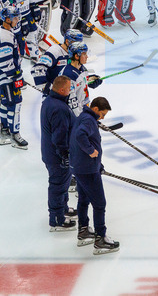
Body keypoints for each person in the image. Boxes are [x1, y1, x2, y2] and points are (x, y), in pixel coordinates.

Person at [69, 92, 119, 254]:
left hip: (81, 167)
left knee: (83, 200)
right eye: (102, 114)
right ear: (96, 109)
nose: (102, 118)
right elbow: (80, 136)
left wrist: (98, 164)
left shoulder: (84, 116)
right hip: (87, 170)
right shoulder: (89, 120)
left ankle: (83, 231)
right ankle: (100, 239)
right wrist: (91, 152)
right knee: (99, 204)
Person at [41, 75, 76, 232]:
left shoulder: (51, 101)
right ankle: (56, 219)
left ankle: (63, 208)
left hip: (52, 153)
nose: (71, 90)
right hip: (56, 156)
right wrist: (64, 155)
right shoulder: (59, 108)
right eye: (69, 88)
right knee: (58, 185)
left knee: (64, 183)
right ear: (62, 90)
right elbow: (59, 136)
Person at [0, 4, 28, 148]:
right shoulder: (5, 36)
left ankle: (5, 133)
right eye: (15, 18)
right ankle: (14, 134)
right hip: (7, 79)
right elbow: (5, 63)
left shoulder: (2, 31)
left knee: (6, 103)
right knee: (15, 103)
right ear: (7, 19)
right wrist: (16, 75)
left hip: (2, 78)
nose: (17, 20)